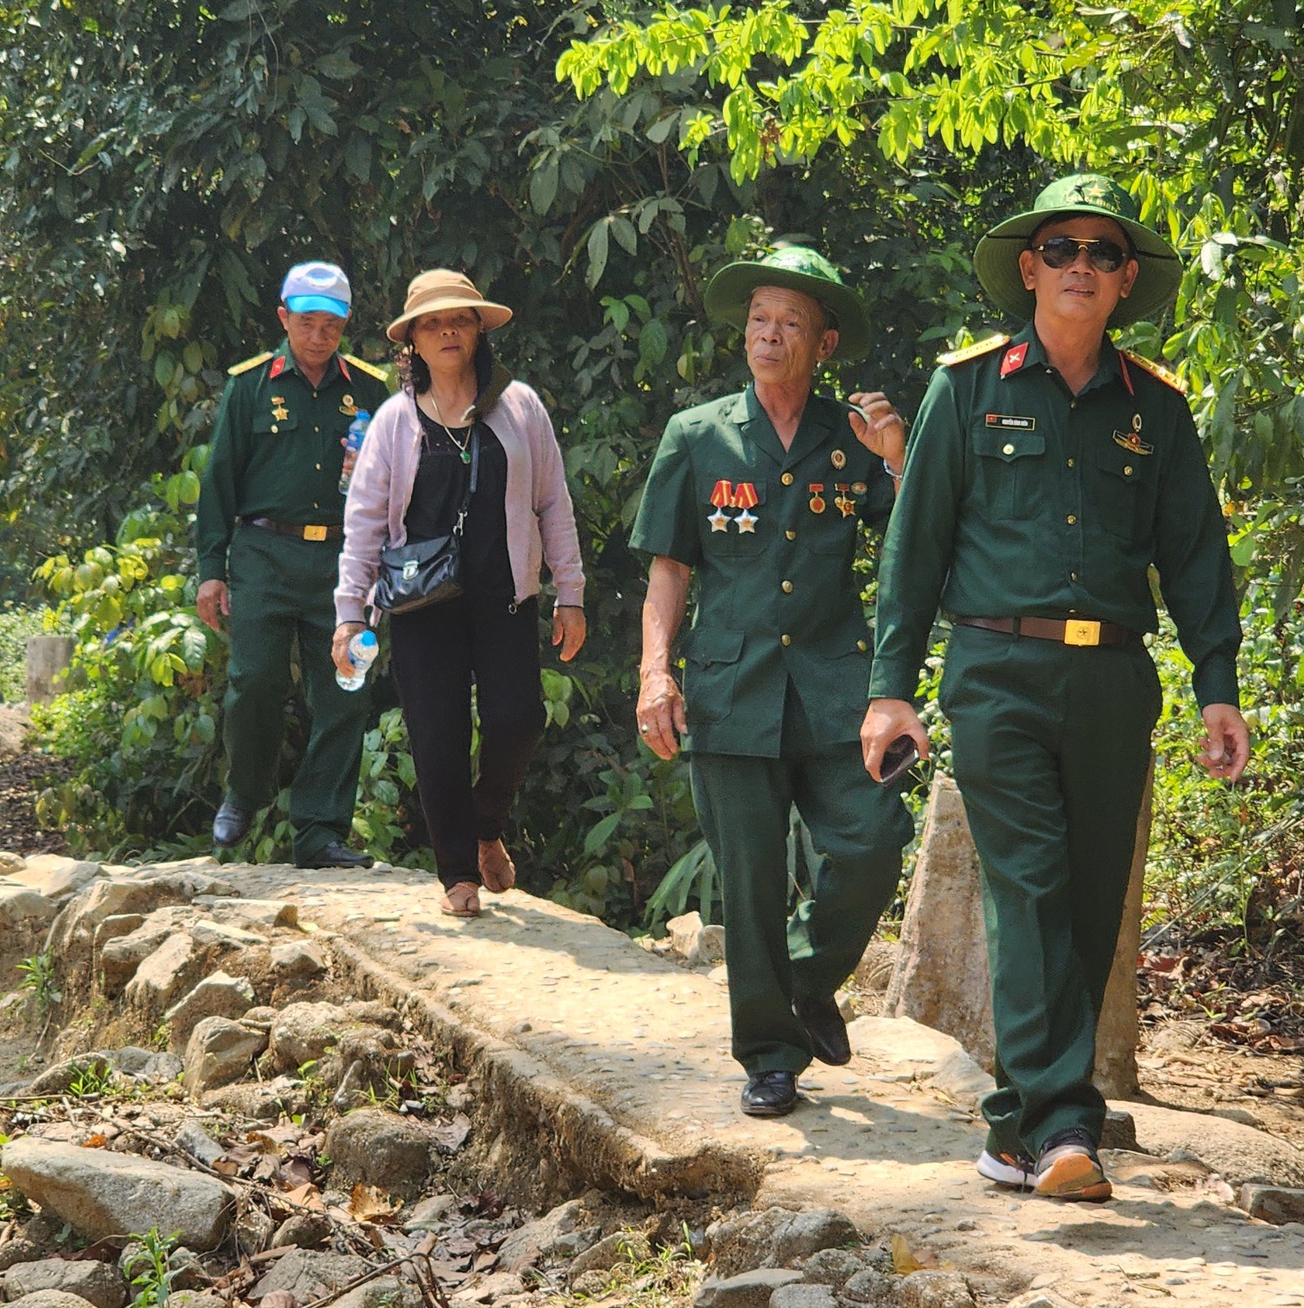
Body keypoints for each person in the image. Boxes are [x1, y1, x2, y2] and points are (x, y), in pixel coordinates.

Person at [863, 173, 1247, 1201]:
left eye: (1104, 253)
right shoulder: (967, 387)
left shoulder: (1156, 410)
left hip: (1114, 679)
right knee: (1028, 886)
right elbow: (916, 545)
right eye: (1063, 248)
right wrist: (888, 689)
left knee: (1081, 905)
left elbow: (1197, 556)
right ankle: (1067, 1128)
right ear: (1030, 268)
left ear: (1125, 281)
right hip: (995, 671)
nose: (1083, 264)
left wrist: (1218, 686)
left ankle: (1009, 1128)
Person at [629, 246, 914, 1118]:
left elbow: (913, 546)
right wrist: (654, 673)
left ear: (823, 344)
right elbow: (669, 569)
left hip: (836, 690)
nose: (767, 334)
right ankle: (770, 1054)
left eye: (789, 322)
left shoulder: (852, 436)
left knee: (873, 836)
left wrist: (897, 457)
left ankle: (807, 975)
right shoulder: (698, 434)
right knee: (749, 879)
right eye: (758, 318)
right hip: (730, 687)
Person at [335, 271, 586, 916]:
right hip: (421, 606)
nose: (448, 330)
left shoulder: (520, 407)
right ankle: (456, 873)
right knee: (436, 737)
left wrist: (571, 593)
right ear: (412, 342)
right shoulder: (394, 422)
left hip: (506, 596)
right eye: (431, 322)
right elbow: (363, 523)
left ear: (478, 331)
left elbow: (553, 503)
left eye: (461, 319)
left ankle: (487, 827)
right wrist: (348, 615)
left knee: (517, 721)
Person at [196, 261, 390, 869]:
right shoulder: (250, 385)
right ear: (284, 319)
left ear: (345, 327)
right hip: (263, 555)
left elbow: (390, 482)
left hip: (345, 562)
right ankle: (244, 794)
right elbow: (218, 481)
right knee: (255, 682)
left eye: (331, 326)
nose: (318, 337)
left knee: (346, 692)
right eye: (306, 323)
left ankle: (319, 831)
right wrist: (211, 569)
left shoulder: (370, 389)